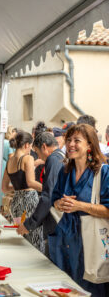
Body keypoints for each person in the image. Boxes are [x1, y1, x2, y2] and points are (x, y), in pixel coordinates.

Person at [48, 124, 109, 297]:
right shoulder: (65, 171)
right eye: (68, 140)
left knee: (90, 290)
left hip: (90, 245)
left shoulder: (103, 172)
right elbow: (55, 199)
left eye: (77, 140)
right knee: (64, 289)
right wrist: (60, 203)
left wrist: (80, 206)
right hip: (65, 243)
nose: (71, 144)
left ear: (90, 145)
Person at [17, 132, 64, 256]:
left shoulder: (53, 159)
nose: (39, 156)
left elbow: (48, 195)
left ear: (44, 147)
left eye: (37, 152)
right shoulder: (59, 156)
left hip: (56, 220)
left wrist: (30, 223)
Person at [2, 131, 43, 251]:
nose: (31, 149)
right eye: (31, 146)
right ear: (26, 145)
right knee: (34, 240)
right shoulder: (27, 158)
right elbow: (31, 182)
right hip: (29, 201)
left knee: (21, 241)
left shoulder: (10, 160)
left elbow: (4, 188)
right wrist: (48, 188)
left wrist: (19, 188)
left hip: (16, 203)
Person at [0, 126, 15, 206]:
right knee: (4, 187)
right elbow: (11, 157)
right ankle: (2, 206)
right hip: (5, 165)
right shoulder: (9, 143)